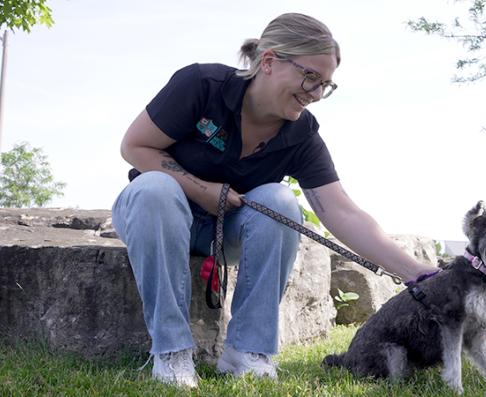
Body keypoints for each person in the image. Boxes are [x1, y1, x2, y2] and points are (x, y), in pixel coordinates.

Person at [112, 12, 437, 389]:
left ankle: (247, 351)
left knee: (280, 200)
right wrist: (203, 190)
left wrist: (420, 274)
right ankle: (170, 351)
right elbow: (134, 146)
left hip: (225, 233)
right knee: (156, 189)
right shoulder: (201, 84)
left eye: (326, 85)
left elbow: (342, 211)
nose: (316, 94)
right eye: (310, 77)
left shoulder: (301, 134)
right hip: (155, 215)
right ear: (268, 61)